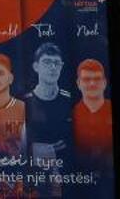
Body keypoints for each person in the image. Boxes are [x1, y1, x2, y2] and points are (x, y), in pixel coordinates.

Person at [24, 44, 72, 172]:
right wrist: (38, 149)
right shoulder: (24, 102)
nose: (53, 67)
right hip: (33, 173)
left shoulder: (70, 100)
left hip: (67, 173)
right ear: (36, 66)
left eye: (57, 63)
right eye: (47, 62)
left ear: (61, 67)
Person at [71, 60, 114, 167]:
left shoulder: (113, 111)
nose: (92, 83)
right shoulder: (70, 115)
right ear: (78, 83)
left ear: (104, 83)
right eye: (86, 79)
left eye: (97, 79)